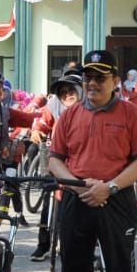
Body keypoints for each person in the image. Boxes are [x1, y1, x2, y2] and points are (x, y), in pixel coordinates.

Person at [47, 49, 137, 272]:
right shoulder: (70, 115)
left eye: (100, 77)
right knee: (74, 269)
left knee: (120, 270)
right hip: (77, 199)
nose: (92, 83)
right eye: (88, 77)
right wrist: (78, 185)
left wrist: (110, 186)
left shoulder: (131, 114)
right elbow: (55, 159)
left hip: (116, 199)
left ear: (115, 81)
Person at [28, 70, 82, 261]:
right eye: (64, 91)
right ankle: (43, 245)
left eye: (72, 90)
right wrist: (36, 132)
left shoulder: (91, 111)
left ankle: (82, 248)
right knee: (48, 203)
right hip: (55, 162)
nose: (68, 94)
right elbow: (40, 125)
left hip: (81, 167)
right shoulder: (52, 107)